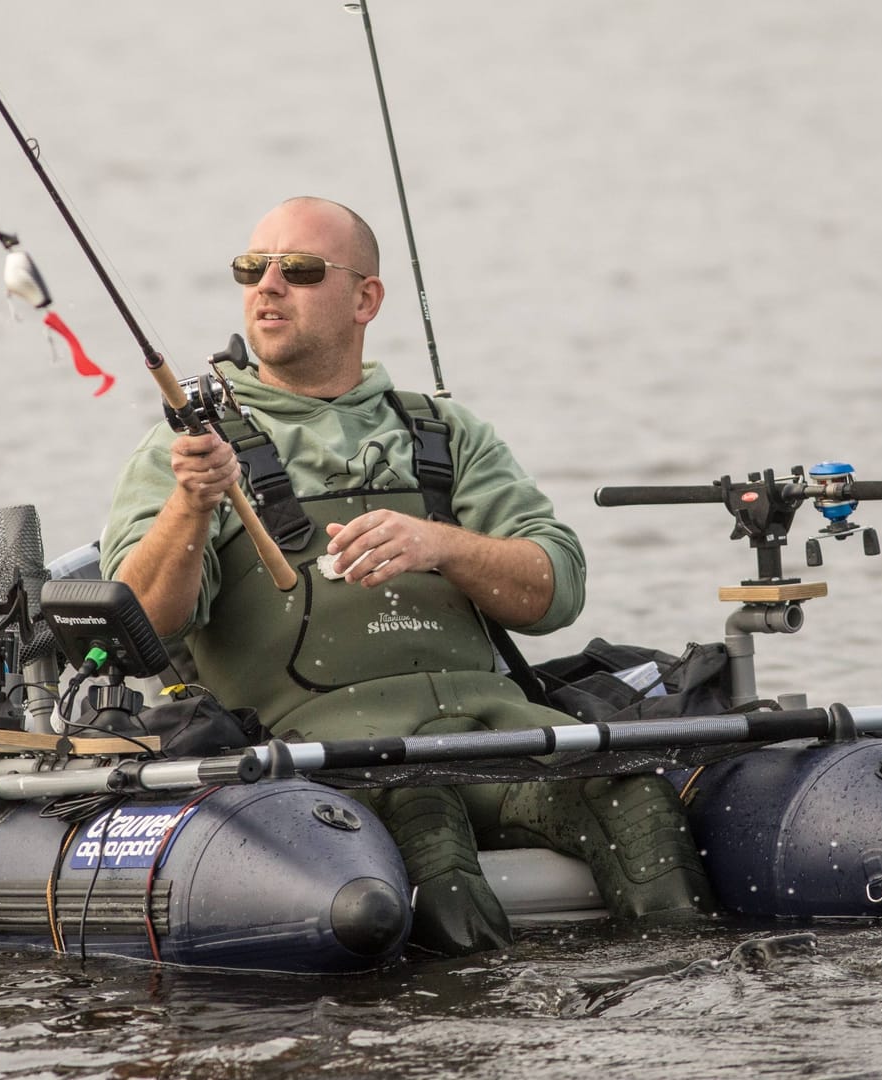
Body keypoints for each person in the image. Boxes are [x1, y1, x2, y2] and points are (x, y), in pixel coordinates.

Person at [100, 196, 713, 954]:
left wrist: (442, 545)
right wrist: (192, 505)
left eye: (299, 269)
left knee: (641, 798)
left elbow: (556, 588)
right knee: (426, 831)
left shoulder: (446, 433)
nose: (267, 286)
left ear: (366, 298)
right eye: (252, 268)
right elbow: (140, 627)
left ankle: (691, 1014)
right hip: (330, 753)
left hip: (502, 734)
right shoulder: (188, 450)